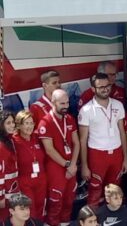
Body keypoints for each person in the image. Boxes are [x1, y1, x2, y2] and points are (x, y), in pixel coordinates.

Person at [78, 73, 127, 208]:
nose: (105, 89)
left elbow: (122, 133)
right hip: (97, 155)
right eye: (101, 87)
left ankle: (115, 221)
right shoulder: (86, 110)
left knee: (115, 191)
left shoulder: (118, 105)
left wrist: (125, 159)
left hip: (117, 154)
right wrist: (84, 165)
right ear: (93, 89)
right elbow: (82, 140)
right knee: (95, 192)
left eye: (107, 86)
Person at [38, 89, 80, 226]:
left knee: (69, 201)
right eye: (62, 103)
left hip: (71, 167)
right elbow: (49, 150)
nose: (66, 106)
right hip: (55, 167)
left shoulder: (69, 118)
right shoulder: (45, 122)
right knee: (55, 204)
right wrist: (68, 165)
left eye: (67, 102)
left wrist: (73, 165)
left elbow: (76, 143)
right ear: (53, 102)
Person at [12, 111, 46, 221]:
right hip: (25, 181)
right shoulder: (14, 141)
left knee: (41, 208)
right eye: (26, 123)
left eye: (31, 123)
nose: (30, 126)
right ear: (19, 125)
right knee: (30, 211)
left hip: (41, 179)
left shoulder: (37, 137)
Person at [0, 111, 18, 219]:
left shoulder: (10, 140)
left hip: (13, 190)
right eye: (8, 123)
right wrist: (1, 197)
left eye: (13, 122)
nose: (12, 125)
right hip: (5, 193)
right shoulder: (1, 146)